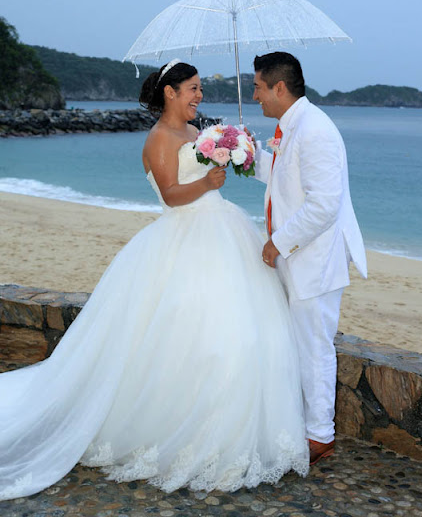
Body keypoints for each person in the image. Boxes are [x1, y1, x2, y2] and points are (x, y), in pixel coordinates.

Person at [0, 60, 309, 501]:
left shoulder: (197, 133)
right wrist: (207, 181)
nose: (199, 96)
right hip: (183, 236)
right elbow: (170, 193)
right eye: (193, 89)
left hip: (223, 230)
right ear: (170, 92)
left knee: (242, 329)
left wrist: (234, 151)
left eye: (200, 89)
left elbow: (208, 174)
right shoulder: (159, 138)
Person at [252, 52, 367, 465]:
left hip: (314, 261)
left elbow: (324, 205)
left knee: (315, 346)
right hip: (299, 259)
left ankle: (320, 435)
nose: (256, 95)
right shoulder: (293, 127)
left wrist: (278, 242)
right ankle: (306, 424)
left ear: (279, 88)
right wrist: (248, 157)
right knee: (300, 343)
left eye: (258, 87)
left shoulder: (315, 129)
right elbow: (286, 180)